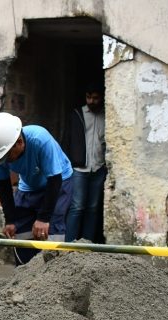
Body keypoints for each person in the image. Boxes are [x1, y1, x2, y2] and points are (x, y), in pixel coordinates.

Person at [0, 112, 73, 266]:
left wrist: (43, 218)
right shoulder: (1, 152)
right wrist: (10, 219)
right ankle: (25, 274)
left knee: (50, 228)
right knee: (20, 227)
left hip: (59, 180)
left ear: (19, 142)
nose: (4, 162)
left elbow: (54, 180)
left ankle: (54, 273)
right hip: (30, 183)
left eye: (6, 157)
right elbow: (3, 185)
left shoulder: (40, 140)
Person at [62, 83, 106, 242]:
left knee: (93, 208)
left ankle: (88, 244)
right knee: (77, 207)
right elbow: (67, 140)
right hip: (79, 169)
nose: (91, 101)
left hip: (99, 168)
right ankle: (69, 245)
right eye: (88, 97)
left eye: (95, 98)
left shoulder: (107, 116)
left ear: (101, 98)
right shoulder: (77, 114)